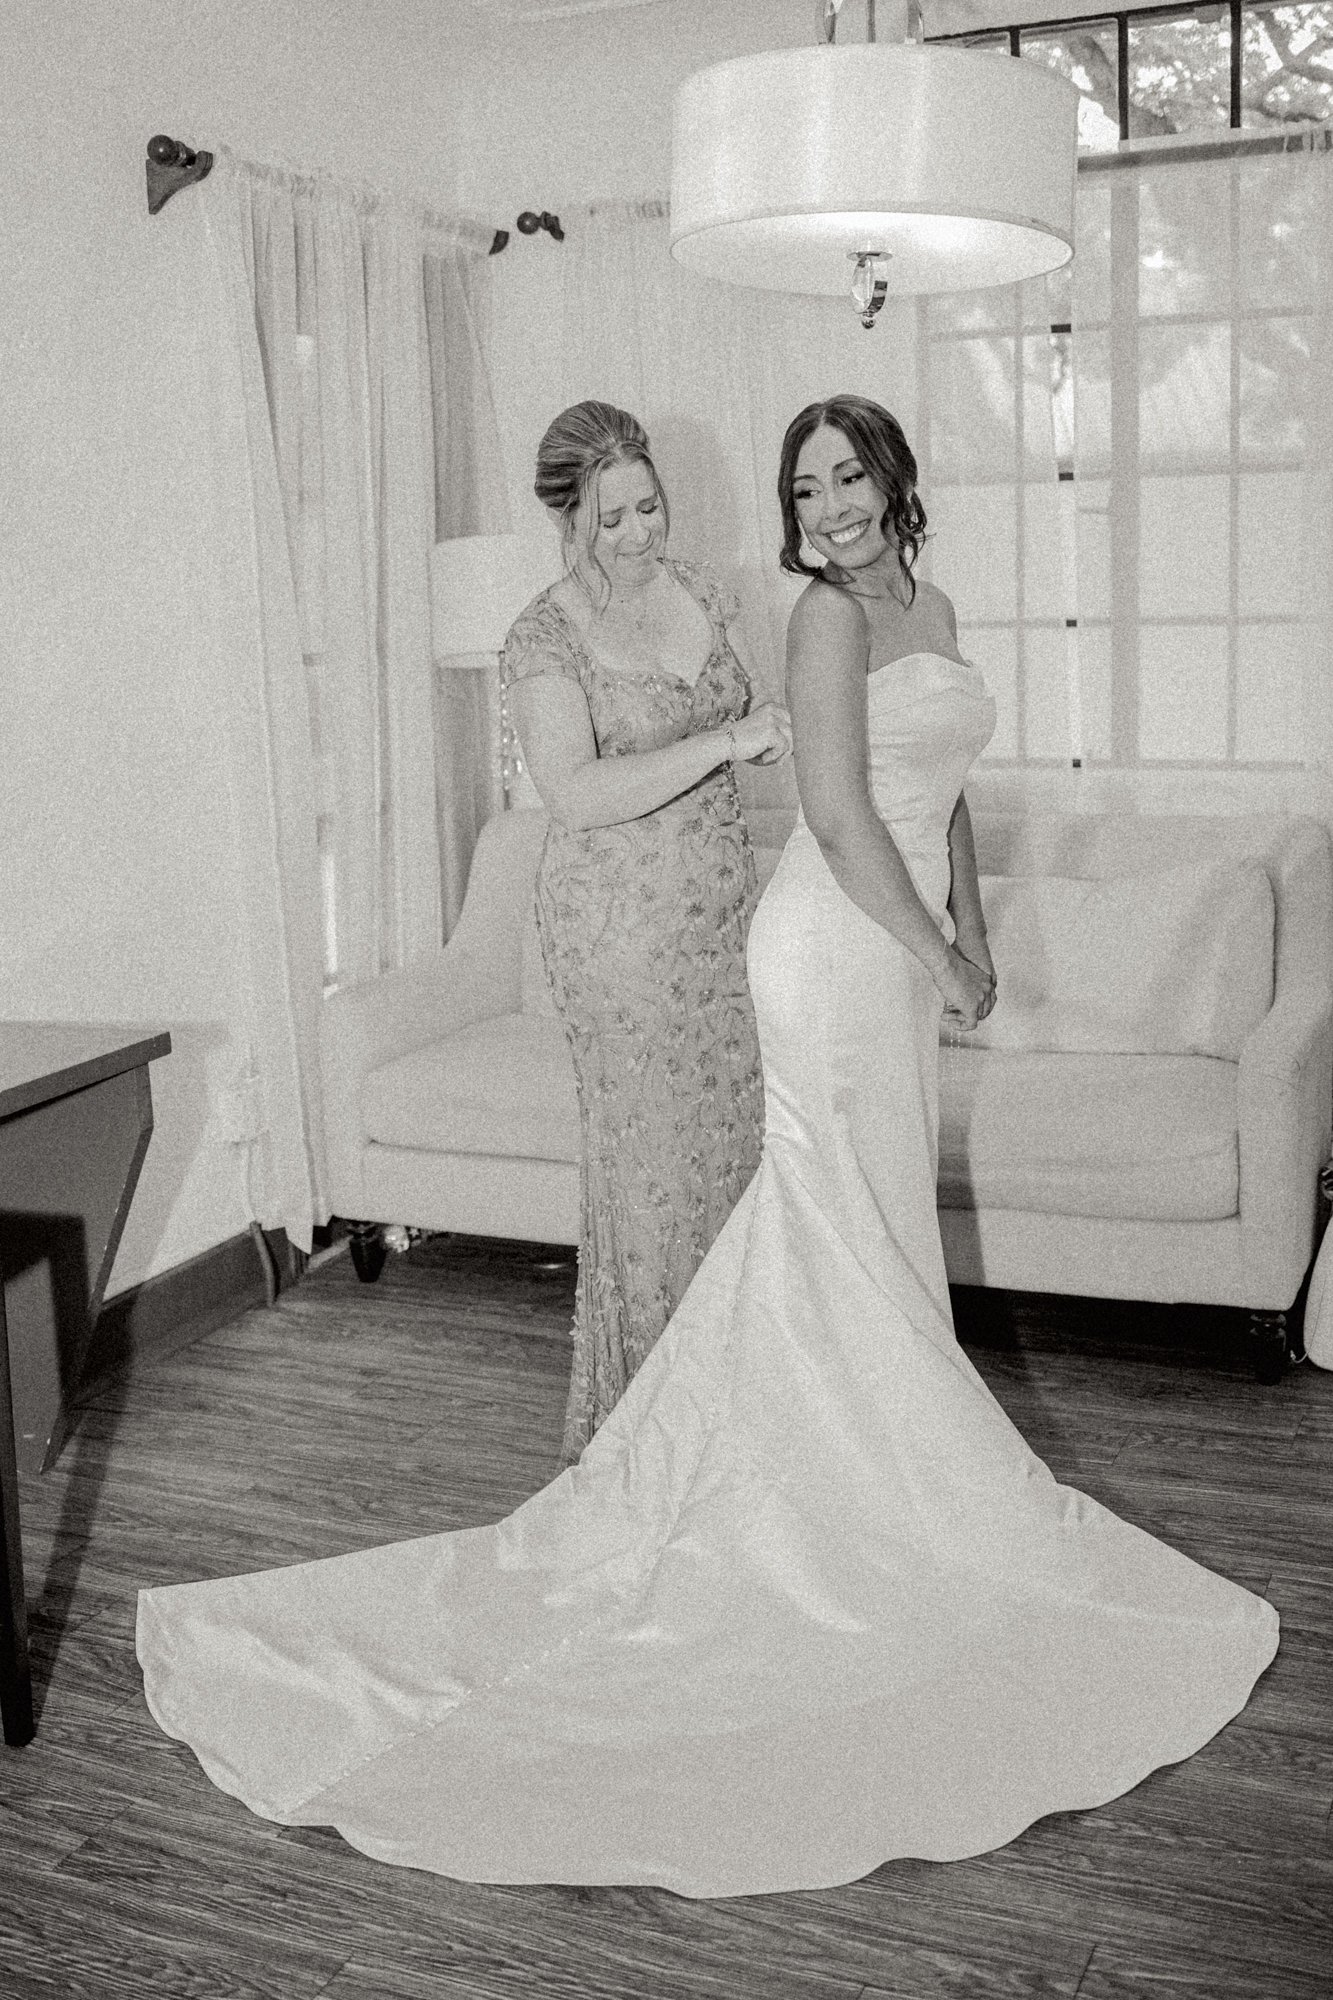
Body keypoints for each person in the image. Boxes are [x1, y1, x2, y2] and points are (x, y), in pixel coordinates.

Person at [137, 396, 1277, 1900]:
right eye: (806, 485)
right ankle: (833, 1509)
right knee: (831, 1219)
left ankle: (872, 1485)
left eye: (846, 475)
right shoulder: (813, 623)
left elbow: (937, 802)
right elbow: (836, 812)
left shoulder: (927, 602)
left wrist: (973, 934)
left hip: (899, 949)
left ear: (889, 481)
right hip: (829, 949)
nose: (827, 504)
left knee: (867, 1230)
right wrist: (935, 957)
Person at [500, 400, 791, 1462]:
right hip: (616, 935)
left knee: (736, 1162)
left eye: (649, 507)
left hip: (720, 925)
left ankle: (737, 1418)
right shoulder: (542, 634)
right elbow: (572, 795)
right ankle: (651, 1438)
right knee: (653, 1181)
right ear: (567, 520)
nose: (636, 534)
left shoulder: (709, 591)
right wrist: (724, 743)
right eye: (610, 518)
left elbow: (771, 722)